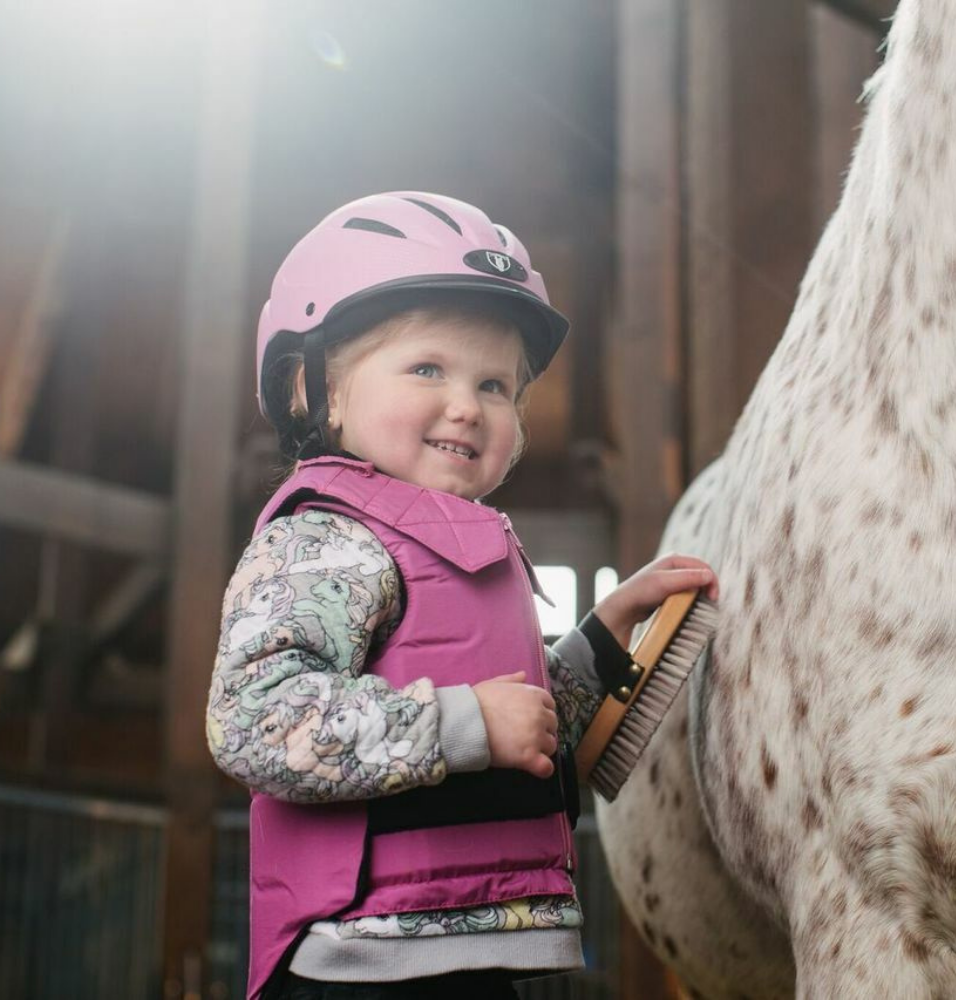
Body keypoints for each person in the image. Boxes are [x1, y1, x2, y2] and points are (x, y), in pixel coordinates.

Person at [205, 191, 719, 1000]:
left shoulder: (468, 542)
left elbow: (523, 738)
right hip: (359, 964)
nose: (466, 406)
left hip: (479, 948)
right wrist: (467, 721)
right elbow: (254, 722)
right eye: (427, 368)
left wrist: (602, 641)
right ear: (318, 390)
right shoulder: (326, 539)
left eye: (496, 385)